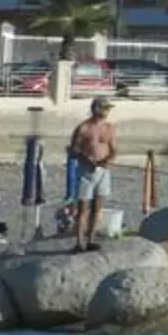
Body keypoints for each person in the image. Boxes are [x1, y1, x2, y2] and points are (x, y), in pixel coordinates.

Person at [67, 96, 119, 251]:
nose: (107, 111)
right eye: (105, 108)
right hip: (85, 171)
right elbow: (73, 150)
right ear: (96, 109)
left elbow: (113, 149)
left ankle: (91, 240)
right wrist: (86, 159)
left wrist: (108, 160)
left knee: (97, 207)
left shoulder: (109, 128)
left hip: (103, 171)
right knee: (83, 208)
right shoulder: (83, 128)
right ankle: (79, 242)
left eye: (108, 109)